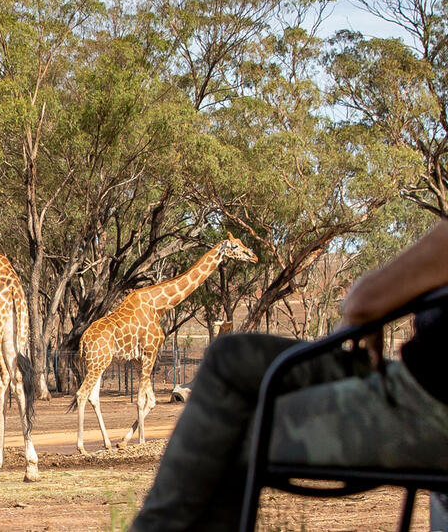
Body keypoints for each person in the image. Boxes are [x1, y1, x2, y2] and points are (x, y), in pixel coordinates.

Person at [130, 221, 448, 531]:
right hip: (414, 384)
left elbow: (362, 301)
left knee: (228, 424)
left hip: (426, 399)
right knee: (229, 357)